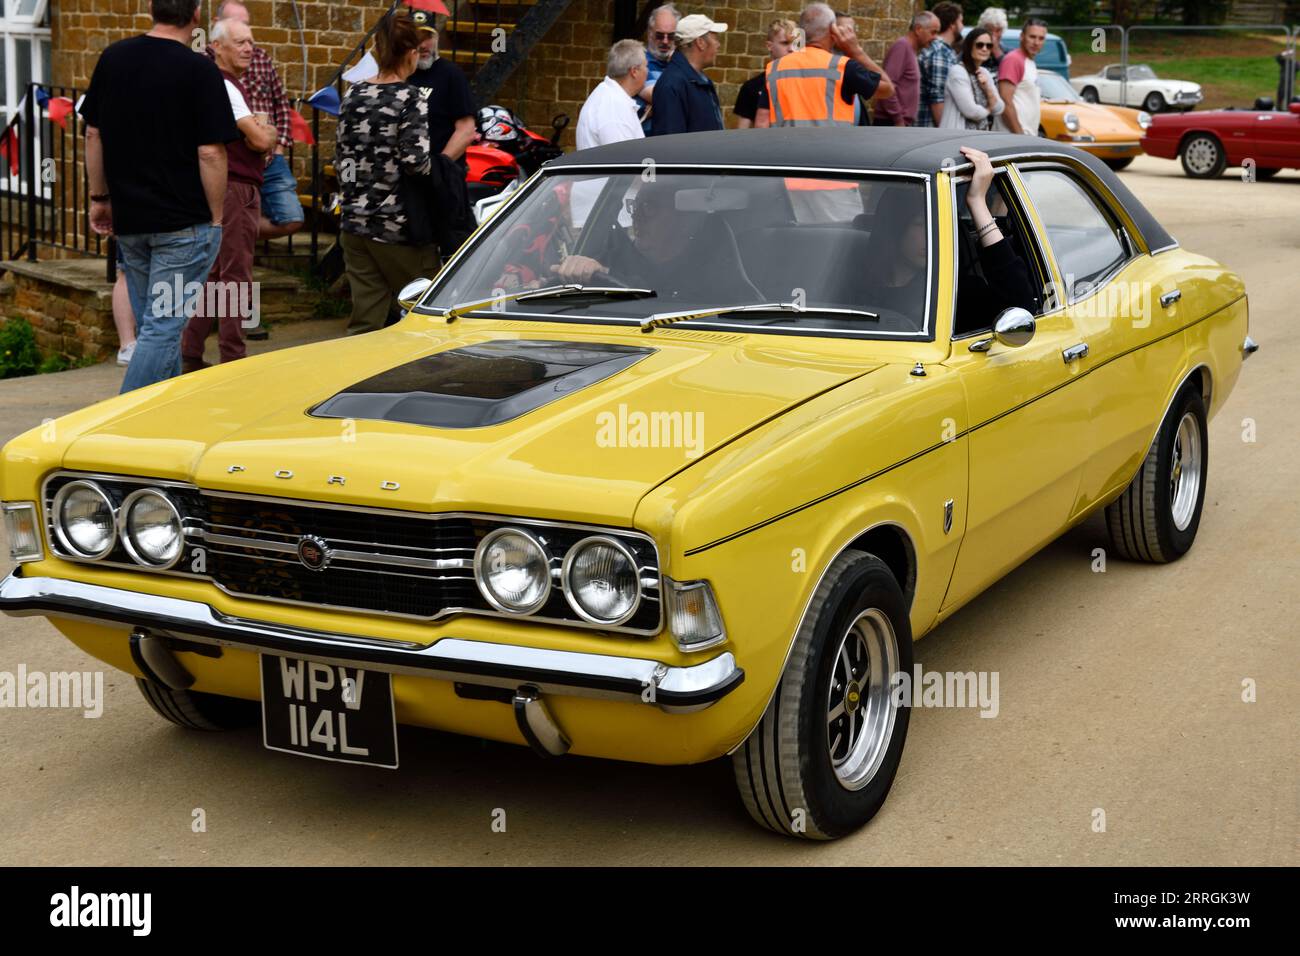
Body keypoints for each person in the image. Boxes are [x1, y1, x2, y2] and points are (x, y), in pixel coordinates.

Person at [81, 0, 237, 393]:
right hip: (183, 225)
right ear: (197, 15)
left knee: (160, 327)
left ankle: (158, 422)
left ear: (151, 8)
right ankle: (121, 427)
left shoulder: (113, 58)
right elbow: (211, 152)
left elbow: (93, 134)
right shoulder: (199, 69)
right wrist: (216, 217)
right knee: (162, 329)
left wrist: (99, 198)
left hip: (131, 221)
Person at [181, 17, 277, 372]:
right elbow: (261, 140)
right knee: (236, 275)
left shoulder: (214, 83)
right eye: (239, 42)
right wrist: (265, 129)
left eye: (250, 41)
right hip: (237, 188)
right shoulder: (227, 87)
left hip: (221, 186)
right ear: (217, 46)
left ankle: (190, 351)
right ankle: (233, 359)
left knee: (214, 273)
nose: (249, 48)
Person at [335, 9, 438, 336]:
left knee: (366, 322)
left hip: (353, 222)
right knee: (424, 312)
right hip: (397, 226)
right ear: (410, 54)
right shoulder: (411, 98)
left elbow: (342, 157)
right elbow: (415, 162)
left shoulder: (353, 94)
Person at [864, 146, 1038, 332]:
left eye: (938, 225)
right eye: (920, 224)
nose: (931, 236)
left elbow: (1020, 308)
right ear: (896, 228)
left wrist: (977, 201)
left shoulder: (958, 292)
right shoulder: (853, 284)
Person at [547, 181, 759, 304]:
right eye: (634, 206)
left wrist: (607, 274)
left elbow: (672, 305)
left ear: (685, 219)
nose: (636, 216)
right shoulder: (617, 256)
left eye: (649, 207)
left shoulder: (712, 273)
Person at [208, 1, 303, 242]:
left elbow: (281, 102)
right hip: (232, 162)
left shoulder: (260, 57)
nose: (248, 46)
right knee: (232, 268)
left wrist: (279, 147)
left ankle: (235, 230)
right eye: (238, 33)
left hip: (270, 158)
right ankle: (233, 231)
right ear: (216, 28)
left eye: (247, 27)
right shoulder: (204, 66)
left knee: (292, 217)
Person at [766, 3, 894, 128]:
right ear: (833, 30)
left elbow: (763, 119)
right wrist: (856, 51)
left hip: (785, 148)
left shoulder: (774, 69)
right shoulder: (843, 67)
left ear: (800, 32)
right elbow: (888, 89)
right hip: (830, 148)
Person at [572, 39, 648, 225]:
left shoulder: (611, 97)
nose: (648, 71)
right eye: (646, 65)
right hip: (609, 215)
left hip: (606, 210)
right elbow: (626, 163)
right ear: (634, 71)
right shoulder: (613, 107)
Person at [406, 9, 476, 165]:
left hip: (442, 176)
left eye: (428, 38)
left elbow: (466, 130)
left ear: (436, 39)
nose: (423, 45)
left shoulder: (451, 74)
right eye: (417, 39)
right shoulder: (401, 75)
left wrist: (439, 166)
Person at [648, 14, 728, 135]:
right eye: (715, 38)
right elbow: (670, 144)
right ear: (700, 43)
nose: (718, 44)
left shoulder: (698, 80)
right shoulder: (672, 85)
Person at [873, 12, 937, 127]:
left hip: (897, 123)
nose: (935, 37)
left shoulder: (910, 49)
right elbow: (888, 85)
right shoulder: (902, 46)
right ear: (918, 29)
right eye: (933, 32)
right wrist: (898, 120)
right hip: (890, 123)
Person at [733, 19, 799, 129]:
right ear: (769, 46)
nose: (791, 49)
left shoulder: (808, 81)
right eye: (785, 43)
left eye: (795, 43)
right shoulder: (751, 87)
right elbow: (742, 132)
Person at [940, 27, 1004, 131]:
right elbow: (971, 111)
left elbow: (999, 108)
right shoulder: (958, 72)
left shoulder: (985, 73)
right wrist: (989, 109)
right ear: (969, 47)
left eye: (989, 46)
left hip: (978, 137)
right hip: (956, 137)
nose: (984, 49)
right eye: (979, 45)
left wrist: (987, 89)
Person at [995, 17, 1046, 136]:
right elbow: (1005, 102)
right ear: (1022, 36)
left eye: (1041, 38)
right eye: (1032, 37)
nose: (1036, 42)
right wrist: (1020, 136)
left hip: (1023, 138)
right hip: (1012, 139)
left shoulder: (1029, 62)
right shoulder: (1013, 60)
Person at [916, 1, 963, 127]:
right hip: (930, 130)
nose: (962, 26)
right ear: (953, 25)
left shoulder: (943, 51)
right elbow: (937, 99)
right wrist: (944, 133)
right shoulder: (940, 53)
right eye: (961, 21)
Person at [636, 4, 679, 133]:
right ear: (649, 34)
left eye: (671, 36)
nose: (665, 41)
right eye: (660, 35)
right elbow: (662, 98)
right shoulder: (639, 62)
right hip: (646, 145)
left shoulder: (677, 64)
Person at [977, 7, 1008, 76]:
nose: (993, 35)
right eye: (990, 30)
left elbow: (1011, 70)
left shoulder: (1009, 53)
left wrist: (996, 51)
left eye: (998, 30)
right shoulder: (972, 50)